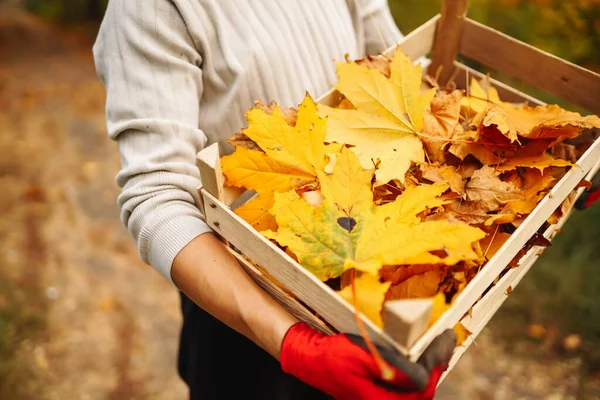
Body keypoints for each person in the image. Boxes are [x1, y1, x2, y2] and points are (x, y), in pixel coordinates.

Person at [93, 1, 457, 399]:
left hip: (372, 256)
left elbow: (399, 74)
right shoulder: (151, 10)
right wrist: (297, 345)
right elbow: (157, 196)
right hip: (246, 303)